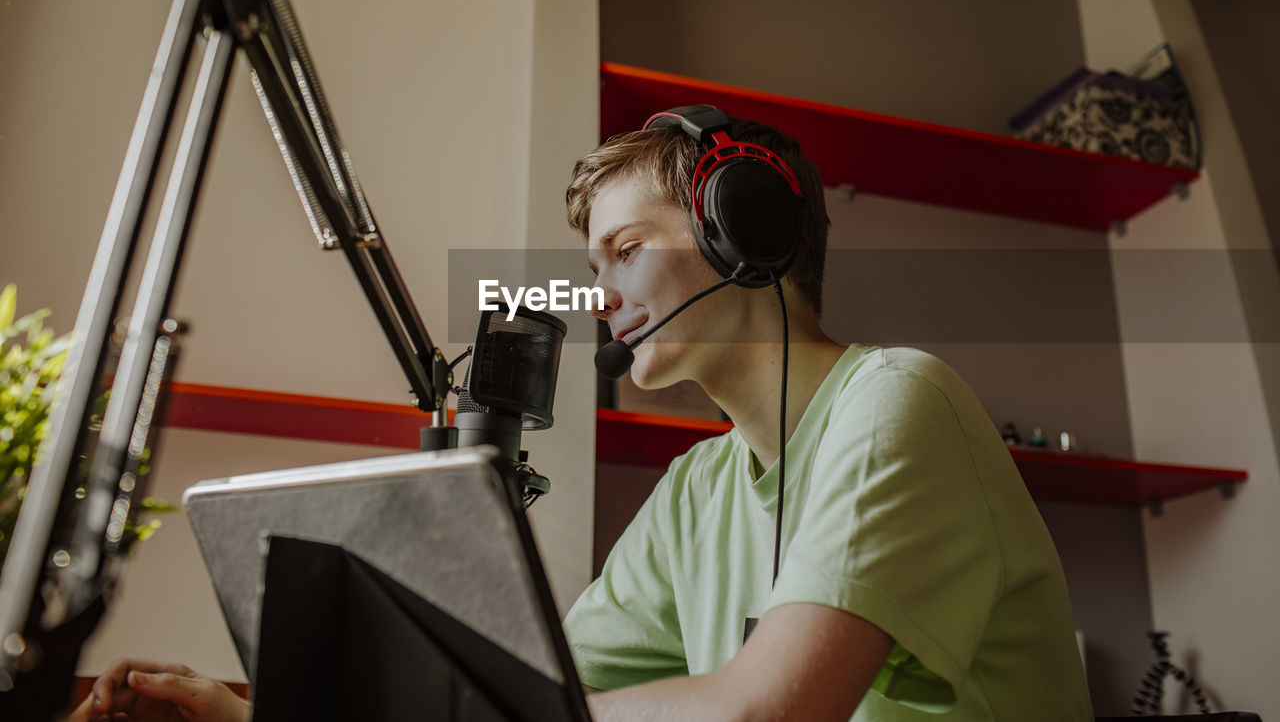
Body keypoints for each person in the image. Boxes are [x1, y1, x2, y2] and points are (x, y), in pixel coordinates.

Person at [74, 113, 1093, 721]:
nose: (597, 295)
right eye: (588, 268)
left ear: (745, 233)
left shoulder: (895, 399)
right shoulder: (698, 487)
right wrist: (243, 706)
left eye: (625, 251)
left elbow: (765, 708)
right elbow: (519, 690)